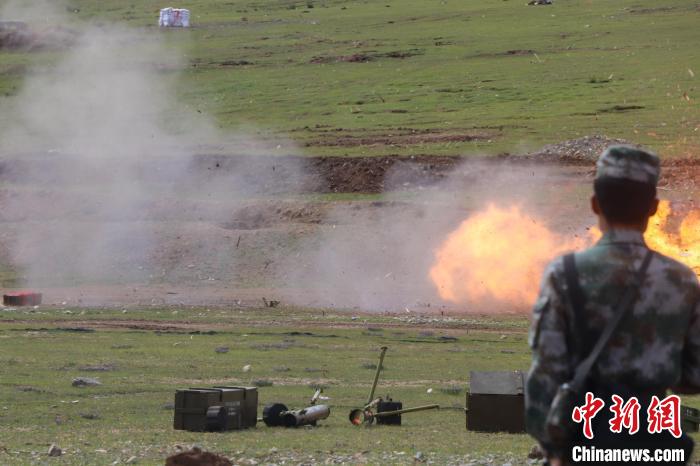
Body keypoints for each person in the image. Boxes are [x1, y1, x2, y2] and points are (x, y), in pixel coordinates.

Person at [525, 145, 700, 465]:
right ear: (653, 208)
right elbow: (695, 374)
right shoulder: (683, 281)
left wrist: (554, 450)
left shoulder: (564, 275)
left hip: (585, 443)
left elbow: (544, 377)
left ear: (595, 204)